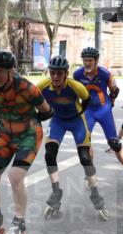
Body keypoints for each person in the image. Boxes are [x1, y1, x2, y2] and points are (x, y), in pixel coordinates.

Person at [0, 49, 53, 234]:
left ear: (12, 71)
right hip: (4, 136)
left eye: (1, 71)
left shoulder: (27, 88)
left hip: (28, 134)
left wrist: (28, 121)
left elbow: (47, 111)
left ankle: (19, 221)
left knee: (15, 176)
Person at [36, 55, 108, 219]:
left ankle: (95, 195)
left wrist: (80, 114)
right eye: (52, 72)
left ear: (66, 74)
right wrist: (41, 115)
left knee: (84, 158)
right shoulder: (42, 86)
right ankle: (56, 193)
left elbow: (87, 100)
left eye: (59, 74)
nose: (55, 77)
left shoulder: (76, 86)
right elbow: (32, 101)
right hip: (58, 121)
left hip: (77, 121)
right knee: (49, 154)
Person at [73, 46, 123, 191]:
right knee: (84, 142)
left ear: (96, 60)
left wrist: (111, 103)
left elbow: (115, 90)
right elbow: (73, 92)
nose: (87, 63)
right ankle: (90, 172)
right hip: (88, 111)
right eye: (85, 60)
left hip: (103, 110)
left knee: (114, 143)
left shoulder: (104, 74)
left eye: (90, 60)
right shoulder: (77, 74)